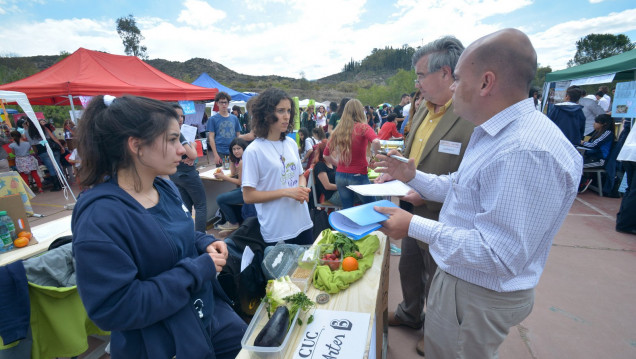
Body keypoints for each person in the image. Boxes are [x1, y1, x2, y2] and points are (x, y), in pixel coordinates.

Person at [374, 29, 582, 358]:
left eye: (457, 77)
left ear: (486, 82)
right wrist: (414, 176)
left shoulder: (524, 151)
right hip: (464, 282)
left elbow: (497, 255)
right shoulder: (495, 132)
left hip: (476, 292)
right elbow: (462, 186)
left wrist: (412, 225)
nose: (453, 86)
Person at [71, 95, 246, 359]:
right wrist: (197, 269)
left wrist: (202, 242)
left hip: (205, 315)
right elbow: (114, 308)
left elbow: (174, 233)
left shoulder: (163, 186)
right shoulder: (100, 217)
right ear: (136, 145)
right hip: (163, 343)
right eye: (172, 139)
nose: (183, 150)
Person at [375, 35, 474, 357]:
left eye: (420, 75)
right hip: (410, 208)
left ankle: (433, 328)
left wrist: (426, 193)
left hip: (442, 214)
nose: (417, 83)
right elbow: (409, 151)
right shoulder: (421, 110)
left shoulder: (469, 116)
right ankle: (409, 312)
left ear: (445, 74)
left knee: (439, 279)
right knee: (409, 267)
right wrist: (394, 170)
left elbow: (470, 179)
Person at [241, 88, 314, 245]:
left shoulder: (291, 143)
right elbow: (248, 196)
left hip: (302, 222)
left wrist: (302, 189)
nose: (286, 116)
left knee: (308, 268)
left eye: (288, 110)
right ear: (266, 114)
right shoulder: (254, 150)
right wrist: (287, 192)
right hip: (277, 230)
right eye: (280, 111)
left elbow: (300, 174)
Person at [324, 99, 381, 209]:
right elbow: (376, 141)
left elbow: (326, 155)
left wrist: (338, 164)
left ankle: (349, 226)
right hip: (358, 174)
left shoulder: (339, 130)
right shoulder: (363, 127)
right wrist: (376, 156)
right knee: (373, 206)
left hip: (340, 175)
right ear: (360, 112)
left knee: (347, 209)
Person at [168, 103, 208, 233]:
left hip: (175, 175)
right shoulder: (178, 133)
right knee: (201, 205)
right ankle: (201, 237)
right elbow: (193, 154)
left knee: (186, 207)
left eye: (182, 116)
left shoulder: (164, 133)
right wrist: (193, 147)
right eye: (177, 116)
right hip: (187, 174)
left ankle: (189, 234)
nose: (180, 119)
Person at [215, 137, 248, 231]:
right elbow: (233, 173)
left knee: (220, 199)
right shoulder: (240, 159)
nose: (236, 151)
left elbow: (240, 182)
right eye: (234, 149)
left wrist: (223, 177)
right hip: (245, 189)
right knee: (228, 194)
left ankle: (233, 223)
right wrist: (231, 159)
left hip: (247, 191)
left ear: (244, 149)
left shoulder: (242, 161)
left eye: (238, 149)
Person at [26, 117, 65, 191]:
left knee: (51, 168)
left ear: (28, 123)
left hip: (42, 150)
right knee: (57, 166)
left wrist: (36, 152)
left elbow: (33, 144)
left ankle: (57, 185)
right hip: (53, 148)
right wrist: (61, 146)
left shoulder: (28, 132)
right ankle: (63, 182)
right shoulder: (43, 127)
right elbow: (54, 138)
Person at [207, 92, 241, 167]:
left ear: (228, 103)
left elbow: (238, 135)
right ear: (217, 103)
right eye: (221, 102)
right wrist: (215, 155)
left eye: (225, 102)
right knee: (222, 174)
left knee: (235, 173)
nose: (223, 104)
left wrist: (239, 150)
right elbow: (211, 137)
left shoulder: (234, 118)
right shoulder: (212, 119)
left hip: (233, 151)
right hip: (220, 152)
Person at [616, 119, 635, 234]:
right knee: (633, 192)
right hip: (633, 155)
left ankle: (622, 219)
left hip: (629, 153)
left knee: (630, 189)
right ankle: (626, 224)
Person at [311, 139, 342, 207]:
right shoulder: (320, 165)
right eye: (334, 149)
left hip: (338, 192)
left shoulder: (332, 164)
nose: (337, 151)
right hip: (332, 197)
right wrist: (343, 187)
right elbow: (327, 186)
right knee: (358, 195)